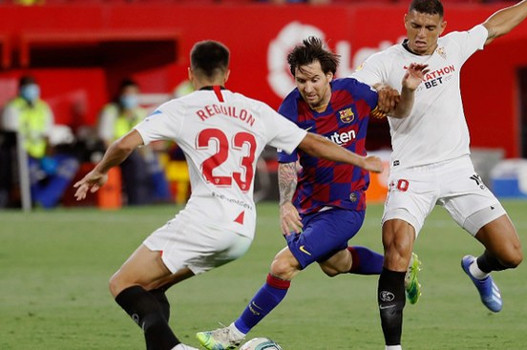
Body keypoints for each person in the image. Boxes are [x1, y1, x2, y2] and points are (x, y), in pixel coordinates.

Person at [73, 39, 384, 350]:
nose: (307, 86)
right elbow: (312, 142)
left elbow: (125, 144)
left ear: (191, 74)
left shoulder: (181, 107)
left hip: (205, 220)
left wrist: (100, 170)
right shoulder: (255, 109)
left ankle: (203, 343)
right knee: (152, 288)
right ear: (227, 73)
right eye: (301, 80)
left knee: (122, 284)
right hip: (240, 232)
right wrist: (359, 159)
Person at [195, 37, 427, 350]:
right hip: (308, 205)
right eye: (301, 80)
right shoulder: (289, 108)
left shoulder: (354, 93)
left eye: (315, 79)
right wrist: (286, 204)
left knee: (282, 266)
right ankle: (400, 266)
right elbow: (287, 163)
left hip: (346, 206)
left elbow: (400, 111)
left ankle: (231, 336)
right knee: (337, 265)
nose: (308, 88)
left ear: (330, 75)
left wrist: (408, 89)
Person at [351, 0, 527, 348]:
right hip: (411, 173)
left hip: (457, 169)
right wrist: (376, 94)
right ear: (405, 21)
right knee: (396, 254)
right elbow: (355, 87)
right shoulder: (384, 62)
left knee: (511, 255)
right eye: (416, 26)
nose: (421, 35)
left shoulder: (453, 47)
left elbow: (495, 25)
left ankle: (478, 270)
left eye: (430, 28)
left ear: (442, 27)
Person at [1, 75, 79, 208]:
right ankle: (38, 202)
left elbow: (47, 135)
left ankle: (42, 201)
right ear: (21, 89)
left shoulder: (43, 107)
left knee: (69, 163)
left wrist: (47, 156)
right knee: (31, 172)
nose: (32, 91)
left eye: (33, 86)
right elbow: (11, 138)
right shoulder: (13, 108)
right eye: (28, 87)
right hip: (21, 156)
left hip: (42, 155)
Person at [97, 78, 171, 205]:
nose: (130, 97)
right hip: (116, 152)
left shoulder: (140, 112)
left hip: (137, 150)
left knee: (154, 162)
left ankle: (162, 199)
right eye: (127, 94)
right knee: (136, 161)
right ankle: (138, 201)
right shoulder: (111, 112)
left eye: (133, 94)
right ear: (121, 95)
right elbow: (106, 139)